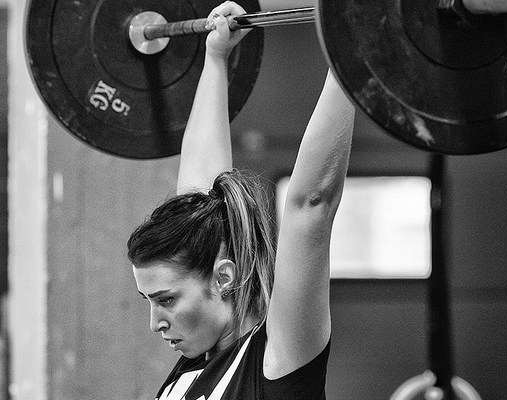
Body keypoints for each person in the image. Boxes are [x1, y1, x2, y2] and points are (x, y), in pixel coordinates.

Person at [126, 2, 357, 399]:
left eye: (166, 299)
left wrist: (355, 51)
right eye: (150, 299)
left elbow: (311, 205)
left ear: (223, 278)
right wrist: (216, 58)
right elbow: (199, 198)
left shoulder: (275, 362)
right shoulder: (194, 369)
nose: (155, 323)